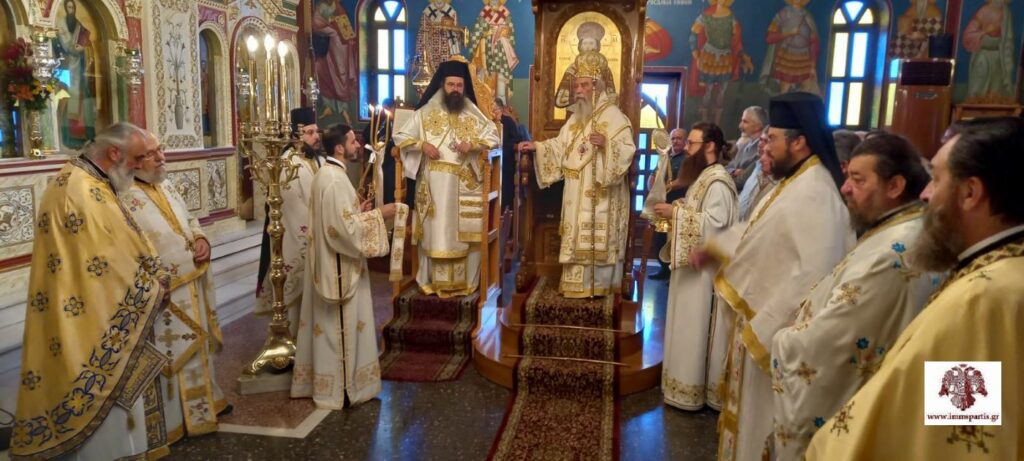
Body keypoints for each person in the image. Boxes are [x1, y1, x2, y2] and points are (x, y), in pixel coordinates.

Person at [806, 116, 1024, 460]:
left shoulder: (983, 298)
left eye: (936, 179)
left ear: (970, 193)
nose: (924, 194)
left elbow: (960, 435)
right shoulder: (1003, 271)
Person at [690, 92, 853, 461]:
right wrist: (715, 247)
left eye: (773, 139)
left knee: (762, 425)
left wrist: (766, 324)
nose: (766, 147)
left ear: (799, 142)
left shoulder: (817, 192)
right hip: (761, 326)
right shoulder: (793, 182)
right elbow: (756, 232)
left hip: (775, 336)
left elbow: (815, 275)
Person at [771, 133, 936, 460]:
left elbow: (834, 340)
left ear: (895, 186)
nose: (845, 188)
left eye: (858, 180)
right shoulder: (896, 229)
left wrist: (783, 338)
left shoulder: (894, 252)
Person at [11, 123, 171, 459]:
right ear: (114, 153)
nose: (138, 166)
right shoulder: (81, 190)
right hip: (92, 317)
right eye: (136, 158)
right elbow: (106, 263)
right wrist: (151, 286)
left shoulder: (92, 181)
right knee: (104, 422)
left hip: (94, 306)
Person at [121, 130, 229, 443]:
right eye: (152, 153)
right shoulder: (122, 196)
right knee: (173, 353)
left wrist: (201, 238)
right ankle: (176, 420)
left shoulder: (164, 183)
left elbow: (189, 219)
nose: (161, 157)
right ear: (134, 160)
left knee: (198, 346)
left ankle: (206, 403)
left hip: (192, 280)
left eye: (161, 149)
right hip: (165, 289)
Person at [291, 124, 397, 409]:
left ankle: (336, 385)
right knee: (341, 328)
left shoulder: (327, 174)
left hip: (329, 263)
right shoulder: (335, 180)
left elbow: (336, 219)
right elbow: (342, 231)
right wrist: (379, 215)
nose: (357, 145)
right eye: (352, 141)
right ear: (339, 148)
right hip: (339, 269)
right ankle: (343, 389)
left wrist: (357, 212)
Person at [518, 54, 636, 298]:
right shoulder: (576, 118)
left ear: (597, 87)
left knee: (595, 237)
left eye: (583, 85)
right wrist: (537, 147)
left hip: (600, 191)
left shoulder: (614, 117)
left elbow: (627, 150)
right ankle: (573, 284)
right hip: (574, 191)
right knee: (575, 235)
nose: (578, 91)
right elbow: (561, 146)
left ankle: (599, 285)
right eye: (576, 86)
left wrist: (607, 144)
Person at [393, 58, 500, 298]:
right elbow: (399, 136)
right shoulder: (425, 113)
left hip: (464, 185)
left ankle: (466, 283)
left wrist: (473, 144)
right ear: (442, 85)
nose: (455, 90)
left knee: (462, 235)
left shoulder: (473, 113)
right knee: (435, 233)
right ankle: (431, 281)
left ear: (464, 87)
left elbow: (494, 136)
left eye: (459, 85)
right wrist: (422, 145)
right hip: (433, 186)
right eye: (451, 84)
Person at [652, 122, 738, 411]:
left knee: (696, 329)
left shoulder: (718, 182)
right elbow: (700, 214)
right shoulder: (705, 177)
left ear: (710, 146)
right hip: (691, 274)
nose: (687, 149)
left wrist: (675, 214)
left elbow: (717, 227)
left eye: (692, 143)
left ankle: (696, 388)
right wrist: (679, 210)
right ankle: (680, 384)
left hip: (705, 278)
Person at [255, 107, 325, 333]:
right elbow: (294, 211)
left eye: (317, 132)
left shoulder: (315, 160)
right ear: (296, 136)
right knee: (298, 294)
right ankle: (294, 337)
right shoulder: (287, 164)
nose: (316, 137)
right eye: (310, 133)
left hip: (317, 232)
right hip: (298, 238)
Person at [54, 0, 96, 149]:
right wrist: (74, 49)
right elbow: (63, 45)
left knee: (82, 101)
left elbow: (86, 44)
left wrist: (82, 48)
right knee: (67, 99)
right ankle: (68, 137)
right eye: (68, 7)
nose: (71, 10)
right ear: (65, 9)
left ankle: (86, 136)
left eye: (72, 7)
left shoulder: (79, 25)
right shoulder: (61, 25)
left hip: (78, 69)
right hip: (65, 69)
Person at [650, 128, 689, 281]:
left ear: (685, 141)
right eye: (673, 138)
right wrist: (652, 189)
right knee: (660, 238)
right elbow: (653, 175)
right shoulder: (665, 157)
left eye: (679, 138)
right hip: (661, 204)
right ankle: (663, 269)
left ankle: (673, 272)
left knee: (673, 239)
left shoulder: (687, 159)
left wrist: (663, 188)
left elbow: (684, 180)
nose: (675, 141)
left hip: (677, 205)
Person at [760, 0, 821, 95]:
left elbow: (814, 41)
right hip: (787, 57)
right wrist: (789, 33)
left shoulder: (807, 16)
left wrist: (813, 65)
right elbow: (770, 38)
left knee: (806, 90)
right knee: (784, 91)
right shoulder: (783, 14)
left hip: (804, 58)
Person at [962, 0, 1016, 102]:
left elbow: (1008, 40)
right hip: (983, 56)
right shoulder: (983, 11)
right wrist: (985, 31)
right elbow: (968, 35)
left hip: (999, 58)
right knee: (978, 87)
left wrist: (1008, 66)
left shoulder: (1006, 13)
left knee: (996, 91)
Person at [737, 127, 777, 221]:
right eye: (760, 140)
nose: (760, 144)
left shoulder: (778, 179)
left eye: (765, 141)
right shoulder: (756, 165)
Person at [726, 106, 767, 190]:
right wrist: (734, 172)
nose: (740, 126)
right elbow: (726, 168)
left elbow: (742, 181)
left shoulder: (762, 150)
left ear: (758, 126)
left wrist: (721, 179)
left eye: (745, 122)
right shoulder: (744, 146)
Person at [495, 97, 524, 211]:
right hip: (490, 161)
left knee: (505, 192)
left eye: (496, 109)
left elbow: (517, 139)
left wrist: (504, 147)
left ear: (502, 110)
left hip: (505, 163)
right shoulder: (486, 121)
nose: (493, 112)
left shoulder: (508, 121)